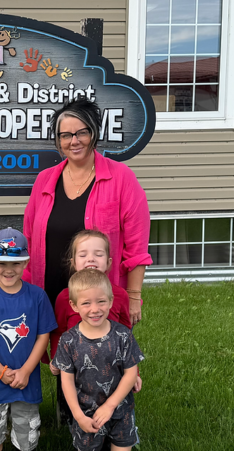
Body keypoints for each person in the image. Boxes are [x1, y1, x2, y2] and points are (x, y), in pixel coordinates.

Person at [22, 98, 152, 326]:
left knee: (100, 348)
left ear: (94, 133)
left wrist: (133, 296)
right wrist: (26, 292)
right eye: (66, 135)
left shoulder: (121, 178)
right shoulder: (44, 180)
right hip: (49, 292)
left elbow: (137, 247)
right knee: (56, 349)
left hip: (97, 301)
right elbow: (29, 241)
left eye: (81, 133)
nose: (74, 141)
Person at [0, 228, 57, 451]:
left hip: (26, 382)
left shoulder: (37, 296)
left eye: (15, 263)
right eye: (1, 263)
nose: (8, 269)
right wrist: (0, 371)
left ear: (25, 263)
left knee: (26, 440)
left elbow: (43, 336)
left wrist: (25, 371)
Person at [46, 230, 137, 427]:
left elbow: (126, 333)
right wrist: (56, 357)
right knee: (80, 415)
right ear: (73, 262)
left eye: (98, 254)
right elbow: (58, 331)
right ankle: (74, 422)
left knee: (116, 414)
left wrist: (134, 372)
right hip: (77, 370)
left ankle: (119, 430)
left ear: (109, 262)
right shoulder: (64, 297)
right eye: (83, 254)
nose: (91, 259)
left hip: (112, 368)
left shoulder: (120, 295)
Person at [53, 269, 144, 451]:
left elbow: (130, 374)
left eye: (101, 301)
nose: (95, 309)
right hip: (86, 413)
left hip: (121, 410)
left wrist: (110, 406)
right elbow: (67, 381)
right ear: (74, 305)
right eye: (86, 303)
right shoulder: (68, 341)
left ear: (111, 301)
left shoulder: (123, 335)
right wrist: (78, 416)